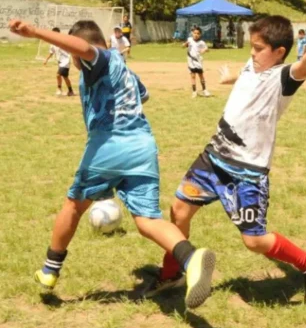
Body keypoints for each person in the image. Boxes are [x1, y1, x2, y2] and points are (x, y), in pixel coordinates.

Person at [7, 18, 217, 309]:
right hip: (143, 146)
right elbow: (143, 95)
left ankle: (49, 270)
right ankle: (191, 259)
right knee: (148, 220)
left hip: (109, 146)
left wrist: (34, 32)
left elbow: (84, 48)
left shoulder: (101, 58)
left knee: (73, 206)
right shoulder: (123, 68)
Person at [143, 16, 306, 304]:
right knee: (179, 210)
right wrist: (230, 78)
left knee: (254, 241)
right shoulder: (253, 65)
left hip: (247, 172)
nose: (252, 53)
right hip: (213, 158)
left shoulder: (282, 77)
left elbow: (302, 67)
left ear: (279, 52)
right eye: (252, 47)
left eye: (258, 48)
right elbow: (247, 80)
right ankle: (171, 274)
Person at [44, 27, 75, 97]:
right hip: (60, 62)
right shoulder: (52, 43)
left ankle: (59, 89)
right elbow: (51, 52)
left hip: (66, 61)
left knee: (58, 75)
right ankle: (70, 91)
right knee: (65, 77)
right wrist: (46, 59)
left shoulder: (63, 40)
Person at [184, 26, 211, 98]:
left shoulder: (201, 42)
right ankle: (194, 91)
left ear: (200, 34)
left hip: (198, 61)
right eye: (194, 33)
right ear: (192, 33)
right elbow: (183, 46)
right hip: (191, 60)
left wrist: (204, 50)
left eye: (198, 33)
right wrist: (185, 44)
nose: (196, 35)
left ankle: (204, 90)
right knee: (193, 76)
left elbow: (207, 49)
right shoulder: (189, 39)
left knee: (201, 75)